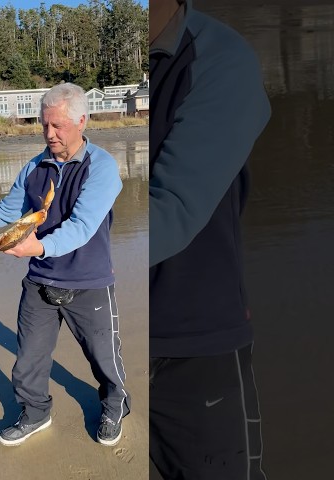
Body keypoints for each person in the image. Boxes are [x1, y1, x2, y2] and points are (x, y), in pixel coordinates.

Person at [0, 82, 131, 446]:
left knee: (104, 357)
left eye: (58, 126)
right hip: (40, 282)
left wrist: (35, 248)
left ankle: (115, 406)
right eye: (44, 125)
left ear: (82, 121)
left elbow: (82, 227)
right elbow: (6, 211)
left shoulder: (101, 167)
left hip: (89, 281)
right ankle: (35, 413)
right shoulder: (36, 166)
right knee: (28, 360)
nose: (49, 134)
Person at [149, 0, 271, 478]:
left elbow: (172, 211)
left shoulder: (221, 60)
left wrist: (49, 239)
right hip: (119, 330)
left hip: (197, 346)